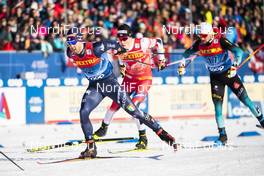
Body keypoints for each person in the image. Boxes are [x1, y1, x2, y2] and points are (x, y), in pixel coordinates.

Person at [65, 27, 176, 158]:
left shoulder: (95, 47)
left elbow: (110, 43)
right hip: (95, 87)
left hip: (110, 85)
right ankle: (91, 147)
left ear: (79, 39)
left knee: (134, 111)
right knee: (83, 112)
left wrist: (119, 48)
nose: (70, 45)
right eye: (68, 41)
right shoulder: (70, 53)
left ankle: (160, 131)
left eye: (72, 41)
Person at [178, 22, 264, 144]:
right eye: (200, 35)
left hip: (229, 75)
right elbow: (185, 54)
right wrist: (182, 65)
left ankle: (262, 121)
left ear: (210, 34)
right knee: (218, 108)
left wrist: (234, 66)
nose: (201, 38)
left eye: (203, 35)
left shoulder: (221, 41)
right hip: (215, 78)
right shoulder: (199, 44)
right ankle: (222, 136)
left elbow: (238, 51)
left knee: (246, 100)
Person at [94, 24, 167, 149]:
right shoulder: (117, 46)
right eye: (119, 38)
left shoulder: (142, 43)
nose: (121, 41)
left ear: (130, 36)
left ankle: (143, 137)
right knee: (115, 103)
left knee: (135, 107)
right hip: (129, 79)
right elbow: (121, 57)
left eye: (124, 38)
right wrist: (122, 66)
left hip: (144, 80)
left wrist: (161, 59)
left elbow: (159, 42)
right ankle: (103, 128)